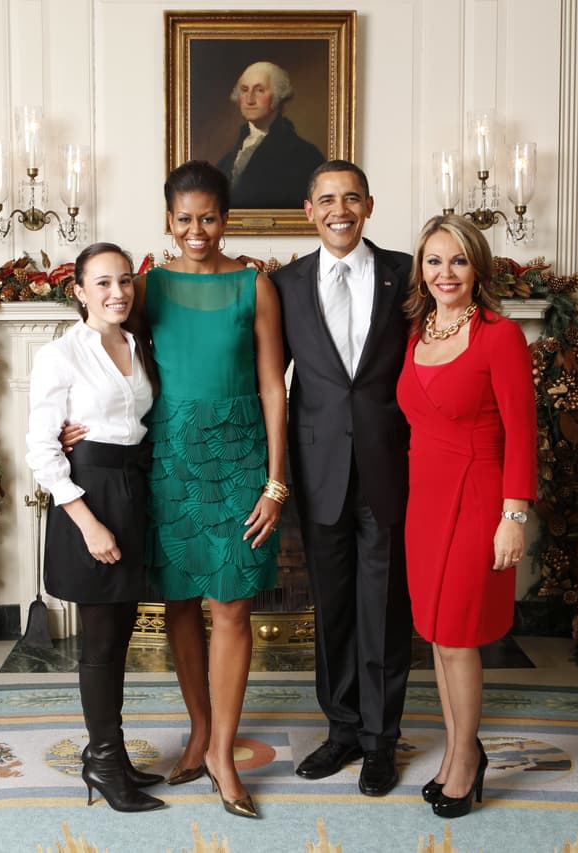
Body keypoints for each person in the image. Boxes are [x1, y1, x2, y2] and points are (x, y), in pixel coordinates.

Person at [142, 160, 287, 818]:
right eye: (184, 218)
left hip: (239, 457)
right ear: (168, 221)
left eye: (208, 217)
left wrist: (276, 480)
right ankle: (198, 726)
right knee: (179, 604)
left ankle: (223, 753)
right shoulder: (150, 287)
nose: (196, 229)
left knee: (232, 606)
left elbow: (271, 385)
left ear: (225, 219)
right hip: (170, 456)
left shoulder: (254, 285)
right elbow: (115, 357)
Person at [270, 160, 414, 797]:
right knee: (330, 609)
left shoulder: (408, 274)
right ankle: (343, 730)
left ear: (370, 205)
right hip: (318, 464)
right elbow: (272, 380)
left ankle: (382, 741)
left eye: (351, 197)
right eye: (327, 199)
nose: (340, 209)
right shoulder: (284, 284)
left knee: (383, 609)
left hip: (390, 461)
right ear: (309, 210)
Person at [395, 214, 537, 818]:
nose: (445, 273)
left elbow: (523, 435)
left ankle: (465, 764)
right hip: (423, 502)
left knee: (458, 637)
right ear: (421, 270)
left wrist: (515, 515)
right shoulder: (415, 332)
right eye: (433, 261)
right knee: (435, 637)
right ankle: (461, 753)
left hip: (479, 499)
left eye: (457, 260)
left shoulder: (500, 336)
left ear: (477, 266)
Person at [24, 243, 165, 813]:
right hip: (91, 498)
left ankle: (112, 753)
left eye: (125, 281)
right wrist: (87, 522)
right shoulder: (60, 355)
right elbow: (40, 447)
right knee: (102, 642)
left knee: (120, 635)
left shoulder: (139, 345)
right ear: (79, 292)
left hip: (132, 491)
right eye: (102, 283)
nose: (117, 292)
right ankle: (103, 761)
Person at [216, 61, 324, 209]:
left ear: (278, 96)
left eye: (259, 90)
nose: (249, 100)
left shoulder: (305, 156)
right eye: (244, 90)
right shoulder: (226, 161)